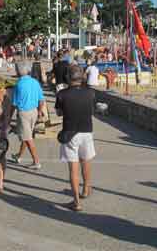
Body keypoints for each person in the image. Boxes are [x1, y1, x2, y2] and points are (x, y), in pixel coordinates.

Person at [55, 65, 96, 211]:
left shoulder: (62, 94)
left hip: (70, 132)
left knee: (73, 169)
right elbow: (92, 110)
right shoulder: (90, 93)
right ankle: (86, 189)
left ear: (68, 77)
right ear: (81, 77)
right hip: (87, 131)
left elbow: (59, 113)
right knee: (86, 162)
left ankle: (76, 202)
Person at [10, 62, 46, 170]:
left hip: (23, 113)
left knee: (28, 137)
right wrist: (39, 111)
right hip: (34, 112)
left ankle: (36, 161)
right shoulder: (35, 82)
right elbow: (41, 100)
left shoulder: (18, 85)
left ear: (18, 72)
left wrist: (8, 117)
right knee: (27, 135)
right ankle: (18, 155)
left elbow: (14, 104)